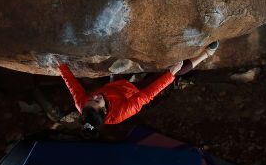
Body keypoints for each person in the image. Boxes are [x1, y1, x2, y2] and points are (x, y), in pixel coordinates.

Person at [56, 41, 220, 129]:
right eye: (96, 100)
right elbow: (145, 96)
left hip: (114, 87)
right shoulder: (120, 113)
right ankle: (206, 54)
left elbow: (73, 86)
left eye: (90, 99)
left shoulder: (84, 105)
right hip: (131, 93)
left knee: (114, 64)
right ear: (105, 110)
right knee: (168, 73)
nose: (93, 96)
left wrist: (61, 66)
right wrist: (169, 75)